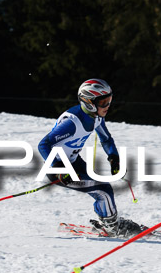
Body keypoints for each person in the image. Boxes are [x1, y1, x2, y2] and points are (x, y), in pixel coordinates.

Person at [38, 78, 146, 238]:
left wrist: (114, 158)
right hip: (60, 171)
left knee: (102, 189)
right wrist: (59, 168)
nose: (107, 106)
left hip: (75, 163)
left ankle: (108, 223)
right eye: (103, 102)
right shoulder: (73, 122)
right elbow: (44, 145)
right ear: (89, 102)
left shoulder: (96, 117)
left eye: (109, 101)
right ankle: (112, 227)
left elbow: (106, 139)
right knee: (104, 190)